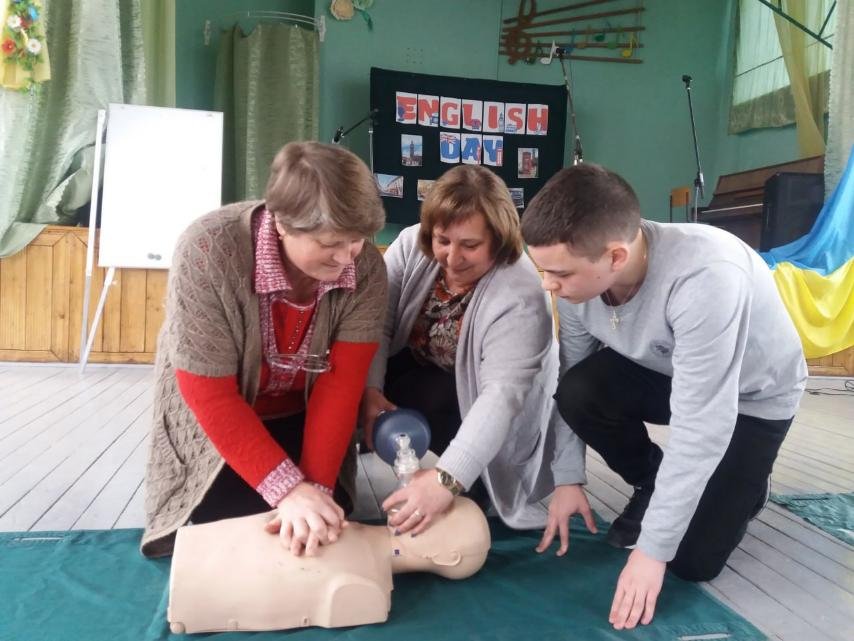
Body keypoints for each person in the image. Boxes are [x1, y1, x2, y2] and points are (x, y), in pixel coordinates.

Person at [521, 163, 806, 630]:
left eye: (560, 274)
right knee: (580, 390)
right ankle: (652, 481)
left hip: (750, 396)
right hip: (665, 368)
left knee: (691, 561)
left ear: (615, 257)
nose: (548, 285)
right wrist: (567, 478)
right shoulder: (577, 288)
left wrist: (652, 552)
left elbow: (702, 424)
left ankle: (749, 484)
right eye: (543, 271)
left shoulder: (706, 276)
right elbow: (570, 377)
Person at [141, 142, 388, 559]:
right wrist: (289, 490)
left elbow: (340, 386)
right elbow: (209, 394)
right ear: (283, 224)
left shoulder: (365, 267)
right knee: (234, 529)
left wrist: (315, 493)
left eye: (358, 240)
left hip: (302, 412)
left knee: (318, 527)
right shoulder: (207, 250)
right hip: (220, 418)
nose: (348, 258)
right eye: (331, 242)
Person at [360, 164, 590, 538]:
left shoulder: (520, 293)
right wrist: (370, 391)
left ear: (498, 240)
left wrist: (448, 477)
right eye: (443, 241)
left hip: (488, 402)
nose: (452, 258)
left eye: (470, 245)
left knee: (464, 481)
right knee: (362, 370)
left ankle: (476, 475)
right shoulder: (409, 245)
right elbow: (378, 325)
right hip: (421, 369)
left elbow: (501, 395)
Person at [167, 496, 490, 633]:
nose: (427, 505)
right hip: (202, 550)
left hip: (198, 593)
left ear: (448, 557)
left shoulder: (369, 591)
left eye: (443, 511)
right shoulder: (358, 531)